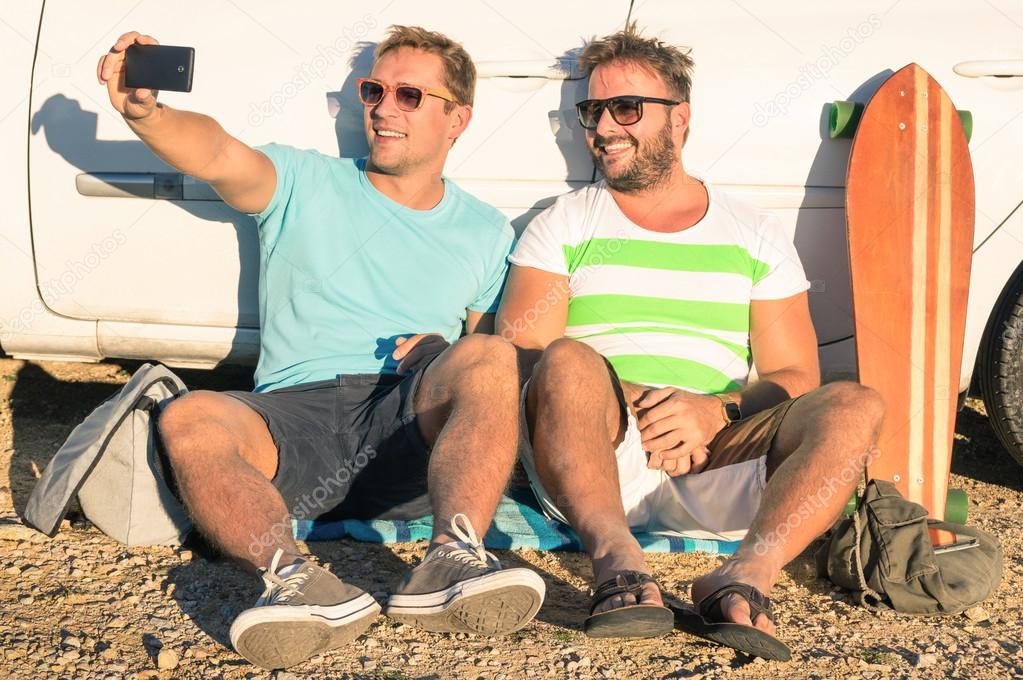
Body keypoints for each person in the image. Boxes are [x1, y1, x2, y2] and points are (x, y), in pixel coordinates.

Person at [97, 25, 544, 670]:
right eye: (373, 90)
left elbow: (486, 363)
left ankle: (452, 558)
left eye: (410, 95)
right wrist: (148, 113)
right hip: (292, 424)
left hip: (404, 425)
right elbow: (217, 153)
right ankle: (296, 581)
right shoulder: (304, 180)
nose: (384, 108)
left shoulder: (484, 228)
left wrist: (442, 351)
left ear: (458, 118)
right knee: (190, 413)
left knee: (490, 357)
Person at [497, 24, 884, 656]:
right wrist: (644, 404)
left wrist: (715, 410)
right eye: (591, 111)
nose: (603, 127)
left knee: (854, 402)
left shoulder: (752, 233)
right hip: (599, 455)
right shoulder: (564, 222)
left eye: (626, 108)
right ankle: (620, 565)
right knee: (566, 359)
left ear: (680, 120)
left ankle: (743, 578)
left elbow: (793, 375)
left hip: (720, 454)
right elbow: (523, 358)